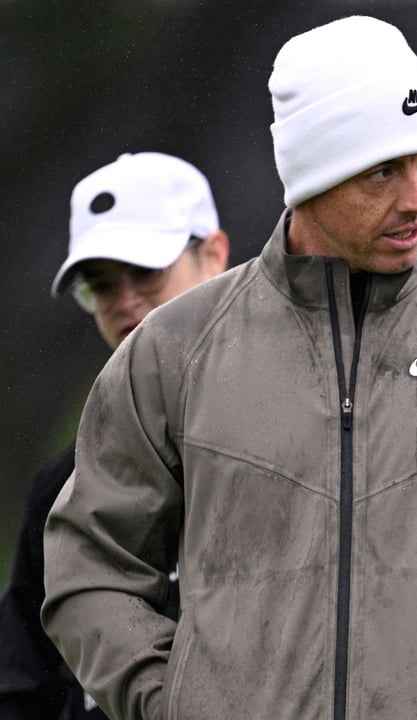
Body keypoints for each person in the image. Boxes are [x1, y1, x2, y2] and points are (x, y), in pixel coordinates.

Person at [41, 15, 417, 720]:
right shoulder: (172, 350)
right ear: (310, 176)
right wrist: (167, 700)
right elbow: (89, 567)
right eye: (383, 172)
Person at [0, 151, 231, 719]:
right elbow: (20, 690)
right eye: (101, 285)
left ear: (216, 256)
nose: (126, 301)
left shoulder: (301, 437)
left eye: (147, 270)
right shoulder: (63, 484)